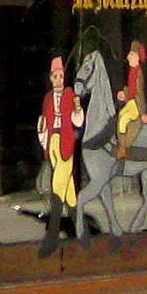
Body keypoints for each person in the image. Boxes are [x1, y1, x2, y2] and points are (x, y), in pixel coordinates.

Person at [34, 54, 84, 252]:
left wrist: (77, 109)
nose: (58, 80)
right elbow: (44, 122)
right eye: (55, 77)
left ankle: (52, 235)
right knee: (68, 189)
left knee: (58, 184)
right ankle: (80, 230)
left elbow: (77, 121)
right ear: (51, 78)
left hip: (65, 142)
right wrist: (44, 138)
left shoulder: (70, 94)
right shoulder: (48, 98)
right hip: (52, 142)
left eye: (61, 76)